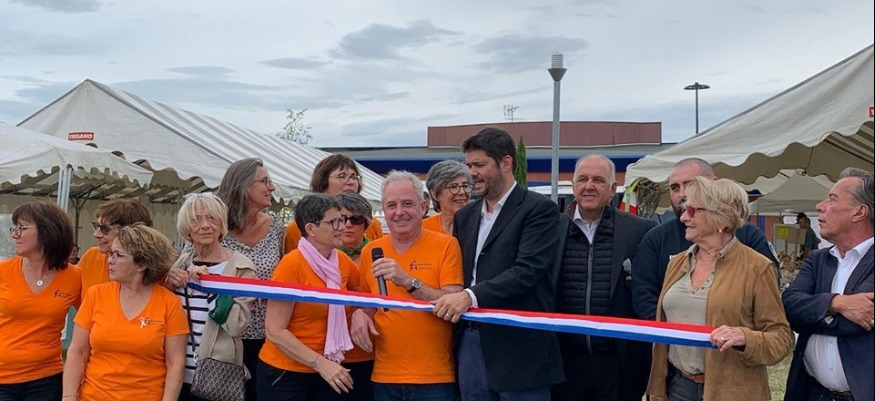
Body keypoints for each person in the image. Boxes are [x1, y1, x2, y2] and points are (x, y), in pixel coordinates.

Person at [432, 127, 564, 401]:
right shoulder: (465, 216)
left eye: (479, 165)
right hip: (470, 344)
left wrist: (469, 296)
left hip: (520, 349)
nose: (472, 173)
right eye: (469, 165)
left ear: (505, 163)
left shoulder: (539, 209)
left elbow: (527, 271)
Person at [646, 177, 792, 401]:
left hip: (731, 391)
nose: (683, 217)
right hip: (678, 388)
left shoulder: (757, 268)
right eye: (684, 210)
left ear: (721, 218)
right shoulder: (677, 264)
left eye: (692, 210)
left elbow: (781, 340)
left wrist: (745, 337)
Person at [350, 171, 464, 401]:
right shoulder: (371, 251)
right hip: (384, 376)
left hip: (434, 378)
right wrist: (359, 313)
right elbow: (369, 302)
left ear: (423, 207)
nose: (399, 212)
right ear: (384, 210)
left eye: (407, 204)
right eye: (391, 205)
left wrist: (408, 282)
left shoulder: (446, 245)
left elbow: (453, 304)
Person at [550, 155, 656, 401]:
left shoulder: (641, 230)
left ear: (612, 189)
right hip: (564, 365)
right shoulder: (550, 230)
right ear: (573, 186)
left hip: (619, 366)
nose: (589, 186)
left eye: (598, 180)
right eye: (582, 179)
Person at [632, 157, 779, 321]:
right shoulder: (657, 240)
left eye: (690, 184)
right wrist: (669, 332)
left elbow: (771, 316)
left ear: (712, 184)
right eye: (674, 188)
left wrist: (739, 333)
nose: (682, 194)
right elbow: (643, 294)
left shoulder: (750, 239)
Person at [63, 224, 188, 401]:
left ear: (142, 264)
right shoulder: (95, 295)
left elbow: (175, 362)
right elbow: (77, 352)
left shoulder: (170, 303)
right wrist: (69, 396)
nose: (110, 260)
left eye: (118, 255)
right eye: (111, 254)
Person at [782, 167, 874, 401]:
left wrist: (809, 315)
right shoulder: (818, 259)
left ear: (859, 212)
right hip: (812, 393)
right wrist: (836, 303)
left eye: (832, 199)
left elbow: (859, 321)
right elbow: (789, 306)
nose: (820, 206)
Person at [257, 194, 360, 401]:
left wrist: (360, 313)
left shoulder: (341, 260)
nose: (342, 227)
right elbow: (275, 330)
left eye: (341, 220)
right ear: (311, 229)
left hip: (329, 370)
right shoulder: (291, 265)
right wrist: (321, 364)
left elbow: (361, 295)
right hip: (285, 375)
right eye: (333, 222)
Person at [165, 193, 257, 401]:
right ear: (187, 228)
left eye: (212, 218)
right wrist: (168, 285)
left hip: (216, 376)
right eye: (196, 220)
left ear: (221, 224)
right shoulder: (181, 264)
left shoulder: (241, 267)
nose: (205, 225)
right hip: (176, 373)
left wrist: (211, 286)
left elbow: (237, 325)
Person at [216, 158, 286, 401]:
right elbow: (188, 265)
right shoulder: (215, 226)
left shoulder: (277, 228)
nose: (271, 187)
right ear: (244, 186)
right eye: (265, 181)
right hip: (223, 337)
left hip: (268, 339)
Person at [0, 202, 80, 401]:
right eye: (15, 228)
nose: (14, 235)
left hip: (47, 380)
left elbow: (95, 320)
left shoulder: (75, 277)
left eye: (22, 228)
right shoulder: (3, 271)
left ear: (47, 231)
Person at [284, 154, 383, 253]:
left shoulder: (371, 224)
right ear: (323, 182)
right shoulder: (298, 228)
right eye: (342, 176)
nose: (351, 182)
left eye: (354, 177)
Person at [334, 191, 376, 401]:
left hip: (371, 352)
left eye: (356, 219)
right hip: (333, 353)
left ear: (366, 223)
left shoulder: (379, 253)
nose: (348, 224)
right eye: (342, 219)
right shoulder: (323, 256)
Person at [78, 198, 153, 299]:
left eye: (105, 229)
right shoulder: (92, 256)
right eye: (96, 226)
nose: (96, 234)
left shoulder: (158, 273)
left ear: (129, 232)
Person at [423, 160, 472, 235]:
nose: (462, 192)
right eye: (453, 186)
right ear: (435, 194)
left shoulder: (481, 225)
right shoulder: (422, 229)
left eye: (465, 186)